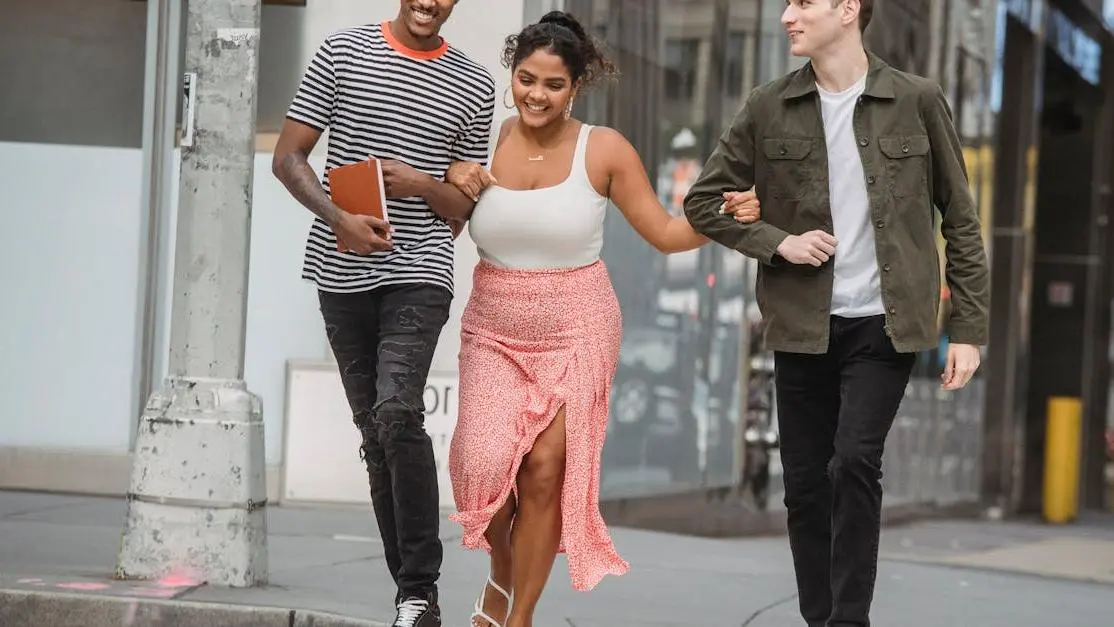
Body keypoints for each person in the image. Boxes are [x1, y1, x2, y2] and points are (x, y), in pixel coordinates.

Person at [442, 11, 759, 627]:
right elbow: (444, 215)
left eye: (553, 84)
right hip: (493, 323)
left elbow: (666, 232)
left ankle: (518, 617)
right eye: (526, 79)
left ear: (576, 86)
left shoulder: (603, 148)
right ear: (512, 75)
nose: (536, 94)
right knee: (482, 463)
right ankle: (501, 580)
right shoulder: (486, 136)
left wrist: (727, 216)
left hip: (577, 323)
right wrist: (453, 175)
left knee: (541, 472)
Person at [683, 1, 989, 626]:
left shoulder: (917, 99)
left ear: (848, 8)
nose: (787, 17)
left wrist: (968, 330)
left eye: (803, 3)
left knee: (853, 459)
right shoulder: (768, 104)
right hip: (803, 325)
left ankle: (849, 620)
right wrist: (779, 242)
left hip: (886, 322)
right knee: (803, 484)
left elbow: (960, 218)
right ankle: (819, 617)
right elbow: (702, 201)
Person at [270, 2, 495, 626]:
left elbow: (460, 209)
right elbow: (288, 157)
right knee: (374, 434)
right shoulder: (341, 52)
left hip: (419, 271)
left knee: (397, 410)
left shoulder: (475, 82)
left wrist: (421, 183)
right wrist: (339, 217)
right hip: (340, 271)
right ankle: (411, 594)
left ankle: (420, 591)